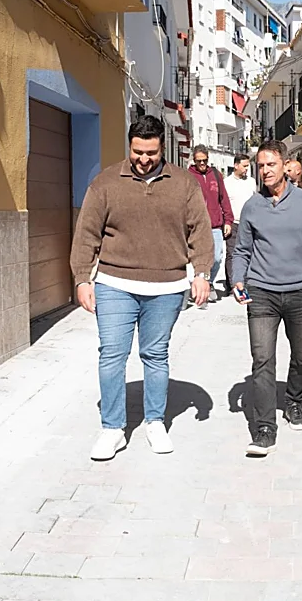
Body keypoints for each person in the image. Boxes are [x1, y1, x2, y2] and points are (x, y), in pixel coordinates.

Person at [70, 116, 214, 462]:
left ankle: (154, 421)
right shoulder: (105, 183)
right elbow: (87, 233)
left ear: (162, 148)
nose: (144, 159)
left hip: (167, 286)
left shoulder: (183, 184)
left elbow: (199, 230)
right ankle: (112, 428)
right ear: (130, 146)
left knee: (155, 354)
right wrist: (82, 279)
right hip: (114, 284)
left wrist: (202, 273)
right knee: (112, 355)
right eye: (138, 152)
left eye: (151, 152)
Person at [232, 140, 302, 455]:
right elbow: (242, 249)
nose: (264, 170)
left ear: (286, 165)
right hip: (261, 294)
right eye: (260, 165)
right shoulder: (252, 206)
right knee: (262, 359)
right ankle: (264, 428)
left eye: (270, 164)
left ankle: (295, 401)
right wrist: (237, 279)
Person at [189, 145, 234, 306]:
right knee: (199, 258)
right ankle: (200, 286)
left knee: (216, 258)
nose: (202, 163)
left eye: (204, 160)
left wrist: (228, 220)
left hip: (215, 224)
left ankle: (208, 283)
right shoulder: (188, 176)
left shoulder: (215, 174)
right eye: (198, 161)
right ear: (193, 160)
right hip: (196, 224)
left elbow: (224, 198)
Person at [223, 152, 257, 291]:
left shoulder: (251, 182)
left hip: (249, 223)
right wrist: (226, 222)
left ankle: (246, 279)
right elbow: (224, 204)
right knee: (232, 253)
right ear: (236, 165)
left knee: (249, 252)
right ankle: (232, 284)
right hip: (233, 223)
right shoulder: (226, 183)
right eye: (244, 166)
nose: (246, 169)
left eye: (248, 166)